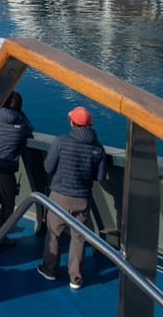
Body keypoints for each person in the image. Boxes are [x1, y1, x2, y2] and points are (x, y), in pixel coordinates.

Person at [37, 105, 108, 290]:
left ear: (72, 122)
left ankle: (49, 269)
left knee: (54, 234)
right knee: (79, 238)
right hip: (82, 198)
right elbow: (100, 177)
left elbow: (48, 167)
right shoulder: (98, 148)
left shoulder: (61, 141)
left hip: (59, 196)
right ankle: (75, 278)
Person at [0, 91, 33, 248]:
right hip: (7, 171)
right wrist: (19, 114)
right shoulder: (22, 126)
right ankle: (1, 237)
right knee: (8, 205)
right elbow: (30, 127)